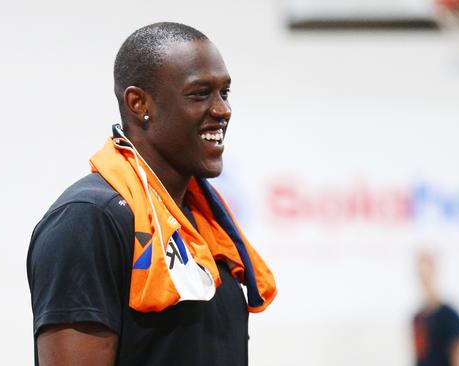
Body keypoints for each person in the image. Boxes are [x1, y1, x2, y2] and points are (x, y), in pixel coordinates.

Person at [26, 22, 277, 366]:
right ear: (139, 103)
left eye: (224, 93)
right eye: (200, 93)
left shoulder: (206, 223)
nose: (222, 110)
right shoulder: (89, 220)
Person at [412, 251, 459, 366]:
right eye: (420, 273)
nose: (424, 278)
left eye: (427, 272)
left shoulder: (450, 316)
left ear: (435, 272)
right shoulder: (417, 318)